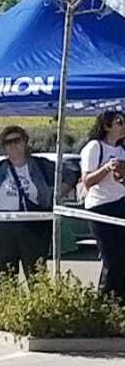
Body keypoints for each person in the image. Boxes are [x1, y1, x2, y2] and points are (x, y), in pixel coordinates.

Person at [0, 125, 56, 284]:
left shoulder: (41, 165)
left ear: (25, 142)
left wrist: (61, 190)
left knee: (37, 276)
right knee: (5, 277)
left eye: (16, 140)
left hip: (33, 226)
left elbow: (71, 172)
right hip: (2, 227)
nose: (12, 145)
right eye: (7, 142)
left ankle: (39, 309)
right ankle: (7, 308)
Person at [78, 109, 125, 301]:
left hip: (120, 203)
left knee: (122, 258)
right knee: (110, 258)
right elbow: (87, 180)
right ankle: (103, 301)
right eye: (119, 122)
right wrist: (107, 168)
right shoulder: (94, 147)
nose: (123, 126)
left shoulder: (122, 150)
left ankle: (119, 302)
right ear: (107, 126)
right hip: (100, 207)